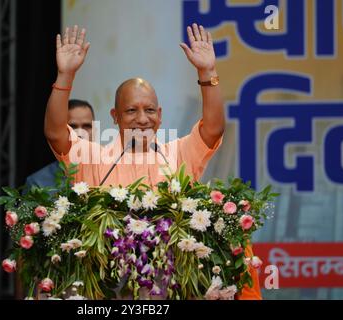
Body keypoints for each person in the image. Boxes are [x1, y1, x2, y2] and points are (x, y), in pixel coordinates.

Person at [44, 24, 261, 299]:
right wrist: (65, 75)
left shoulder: (180, 153)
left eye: (149, 110)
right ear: (114, 116)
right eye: (131, 111)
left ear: (159, 114)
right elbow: (55, 133)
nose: (142, 119)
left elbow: (213, 128)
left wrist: (207, 73)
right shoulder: (92, 158)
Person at [25, 99, 95, 190]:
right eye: (73, 126)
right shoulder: (38, 183)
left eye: (87, 126)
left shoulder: (110, 173)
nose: (80, 133)